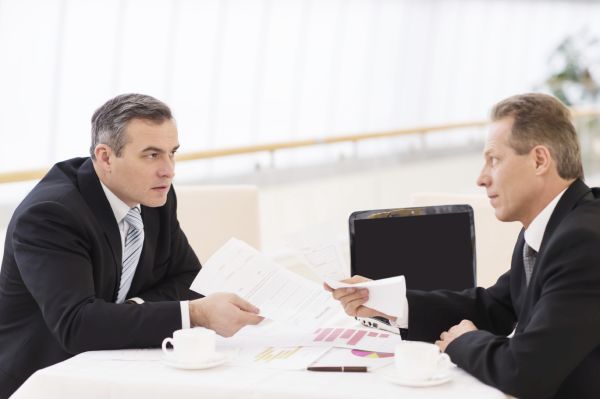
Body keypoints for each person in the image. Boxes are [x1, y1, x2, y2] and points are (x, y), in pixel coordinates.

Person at [326, 93, 600, 399]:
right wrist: (389, 305)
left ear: (539, 160)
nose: (481, 179)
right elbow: (494, 306)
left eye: (494, 160)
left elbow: (525, 371)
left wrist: (463, 342)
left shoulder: (584, 241)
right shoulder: (551, 227)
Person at [0, 93, 263, 397]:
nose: (168, 170)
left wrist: (129, 309)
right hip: (42, 380)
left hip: (115, 365)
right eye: (152, 155)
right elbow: (77, 325)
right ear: (106, 157)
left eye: (172, 153)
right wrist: (195, 315)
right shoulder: (50, 215)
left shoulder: (154, 197)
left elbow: (189, 278)